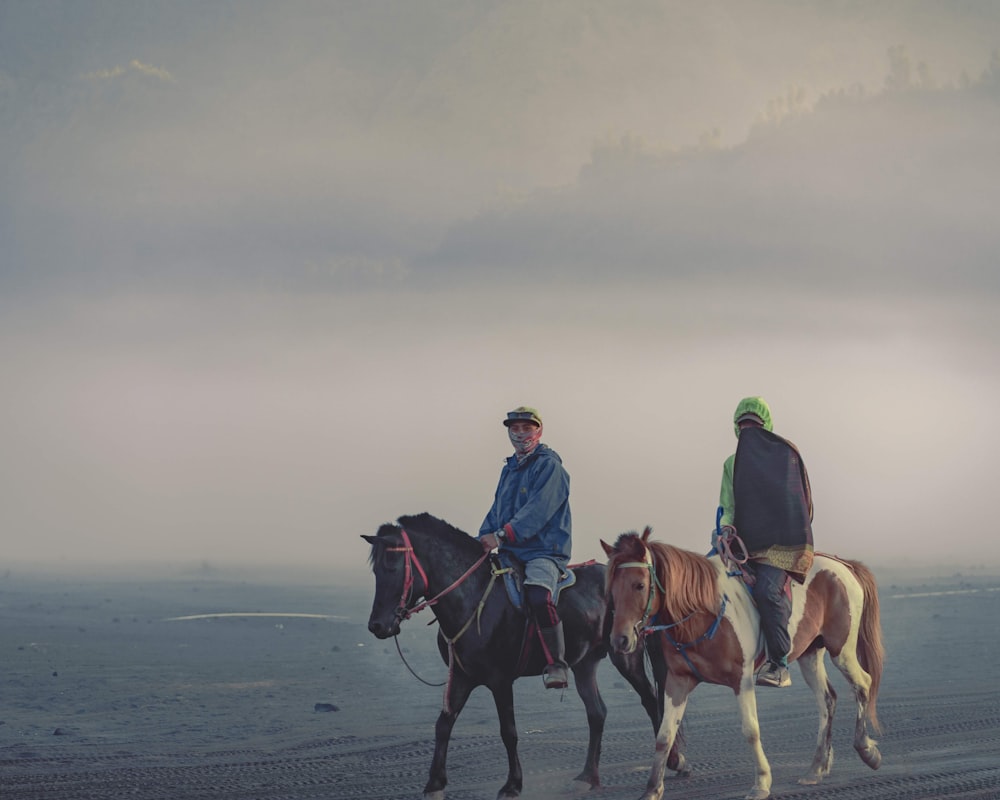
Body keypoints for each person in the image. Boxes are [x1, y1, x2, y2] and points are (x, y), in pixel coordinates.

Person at [718, 396, 814, 688]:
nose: (748, 430)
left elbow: (800, 505)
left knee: (766, 592)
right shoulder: (731, 464)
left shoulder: (786, 456)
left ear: (766, 426)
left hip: (779, 549)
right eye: (743, 426)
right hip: (742, 545)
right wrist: (724, 530)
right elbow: (728, 506)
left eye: (754, 425)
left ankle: (779, 663)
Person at [479, 406, 572, 689]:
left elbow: (538, 510)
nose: (520, 433)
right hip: (510, 551)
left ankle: (557, 664)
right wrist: (483, 537)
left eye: (526, 428)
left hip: (543, 550)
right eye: (514, 428)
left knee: (538, 596)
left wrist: (503, 535)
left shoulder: (550, 467)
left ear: (539, 431)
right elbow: (498, 508)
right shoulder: (509, 469)